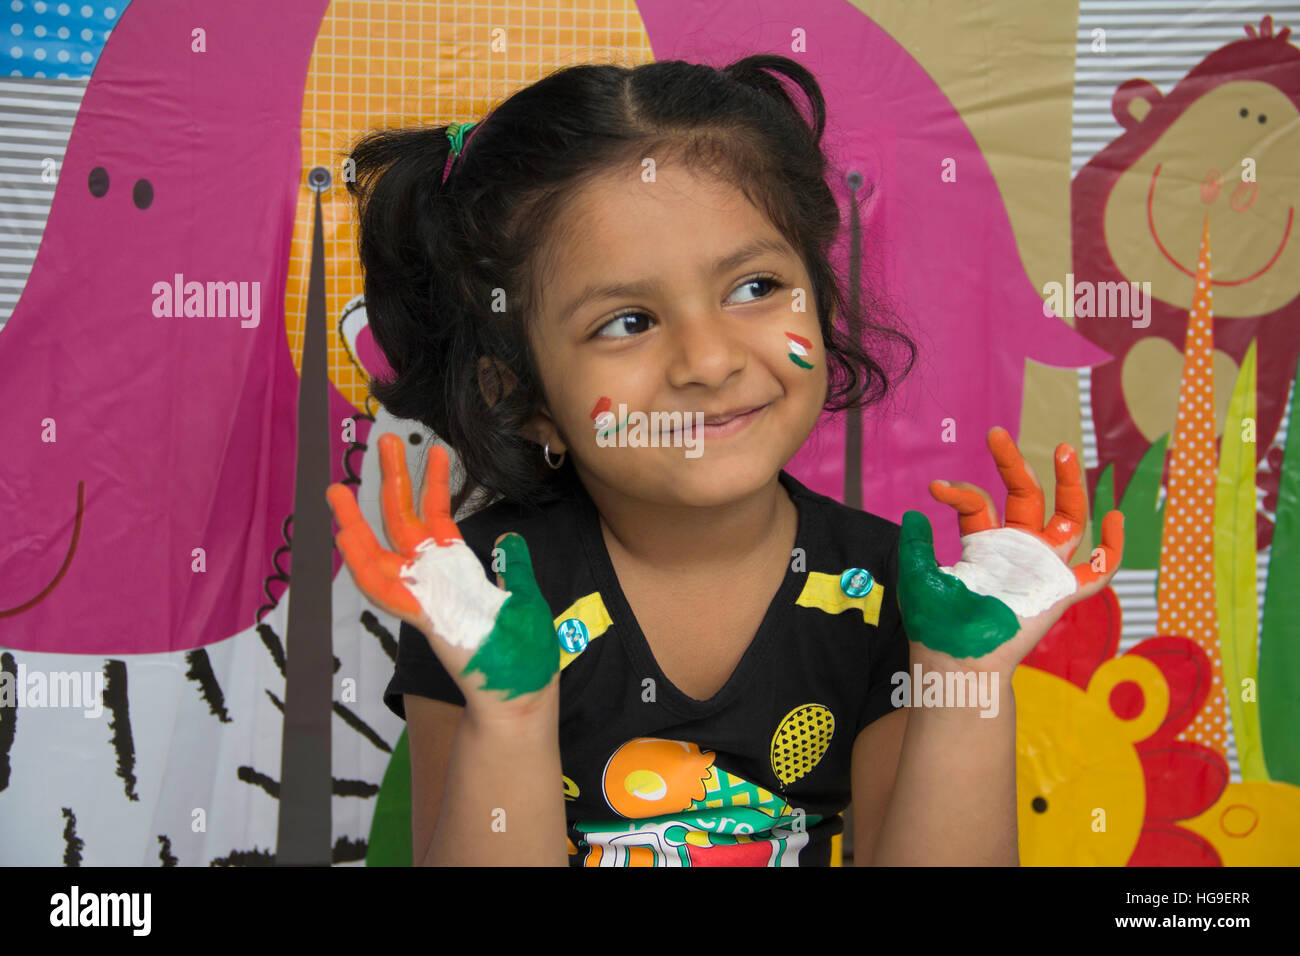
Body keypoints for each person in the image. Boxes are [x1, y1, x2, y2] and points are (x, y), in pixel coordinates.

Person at [325, 54, 1125, 866]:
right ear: (527, 400)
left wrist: (967, 686)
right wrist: (510, 713)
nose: (708, 361)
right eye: (628, 322)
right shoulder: (485, 591)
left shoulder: (883, 588)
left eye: (754, 288)